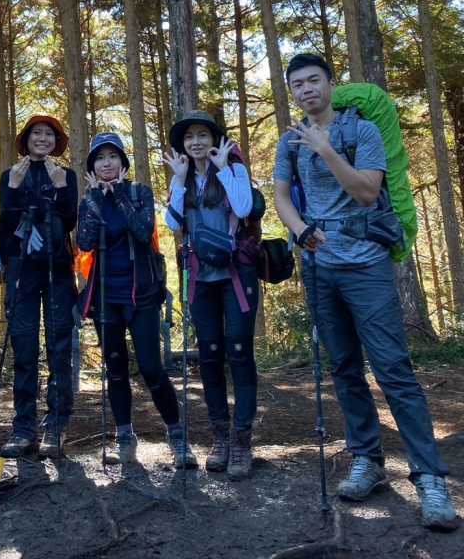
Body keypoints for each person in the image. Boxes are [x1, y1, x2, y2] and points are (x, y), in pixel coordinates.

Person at [273, 53, 458, 531]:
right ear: (292, 91)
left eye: (314, 80)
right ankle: (367, 459)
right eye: (298, 84)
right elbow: (281, 195)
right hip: (319, 268)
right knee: (344, 368)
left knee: (393, 369)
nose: (306, 89)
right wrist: (298, 230)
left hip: (367, 266)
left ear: (331, 84)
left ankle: (430, 478)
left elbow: (367, 194)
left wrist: (327, 149)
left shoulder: (361, 132)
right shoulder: (289, 141)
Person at [76, 132, 195, 468]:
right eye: (100, 159)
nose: (106, 163)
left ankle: (176, 435)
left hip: (141, 296)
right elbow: (83, 242)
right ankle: (124, 436)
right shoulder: (90, 200)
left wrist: (120, 199)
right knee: (115, 371)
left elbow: (144, 231)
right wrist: (97, 200)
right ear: (94, 167)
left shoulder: (139, 192)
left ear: (123, 163)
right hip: (105, 298)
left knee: (151, 368)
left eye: (112, 157)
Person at [164, 110, 257, 479]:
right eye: (189, 137)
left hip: (236, 273)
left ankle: (241, 440)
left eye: (203, 134)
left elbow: (245, 208)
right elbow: (173, 222)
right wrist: (179, 180)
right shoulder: (182, 180)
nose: (196, 142)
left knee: (238, 350)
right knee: (210, 354)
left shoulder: (234, 170)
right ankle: (219, 435)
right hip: (200, 277)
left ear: (214, 139)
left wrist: (225, 168)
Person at [0, 115, 78, 458]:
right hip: (22, 269)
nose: (42, 138)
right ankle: (23, 427)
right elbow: (6, 224)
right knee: (25, 346)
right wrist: (14, 191)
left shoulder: (66, 175)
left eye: (49, 134)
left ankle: (56, 424)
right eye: (36, 133)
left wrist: (61, 188)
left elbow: (71, 219)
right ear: (26, 139)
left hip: (58, 267)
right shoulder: (9, 175)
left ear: (56, 141)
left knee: (59, 345)